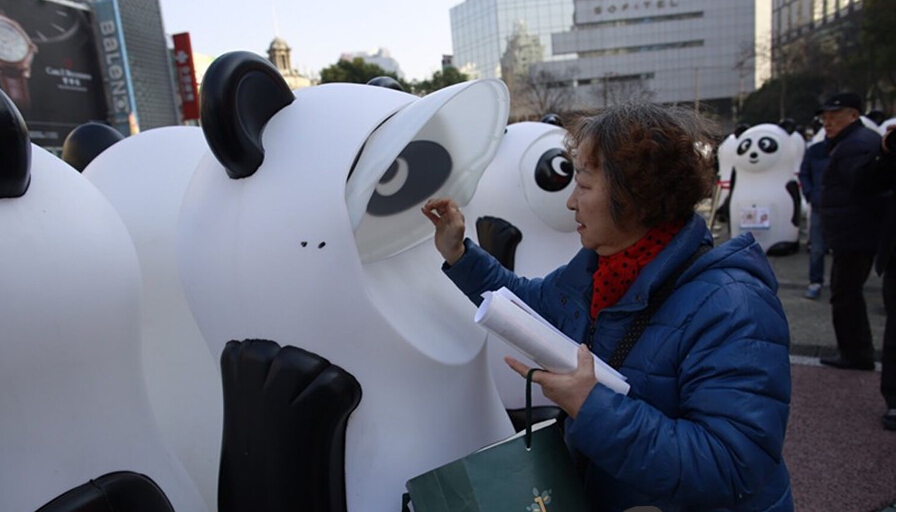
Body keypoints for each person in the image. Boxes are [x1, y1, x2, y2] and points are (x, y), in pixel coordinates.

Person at [422, 101, 793, 512]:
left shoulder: (733, 304)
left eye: (583, 184)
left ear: (635, 194)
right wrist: (459, 254)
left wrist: (591, 405)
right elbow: (527, 306)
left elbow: (733, 467)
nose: (570, 202)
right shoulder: (598, 270)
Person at [816, 92, 884, 371]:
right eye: (825, 118)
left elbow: (863, 187)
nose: (827, 123)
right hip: (854, 231)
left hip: (855, 233)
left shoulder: (856, 145)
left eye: (834, 116)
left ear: (854, 115)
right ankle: (856, 351)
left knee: (845, 294)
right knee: (847, 293)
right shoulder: (857, 141)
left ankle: (855, 352)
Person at [797, 135, 830, 299]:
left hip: (846, 209)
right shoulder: (815, 150)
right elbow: (804, 173)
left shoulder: (851, 148)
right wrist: (810, 194)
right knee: (816, 249)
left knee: (845, 252)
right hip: (819, 206)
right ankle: (815, 282)